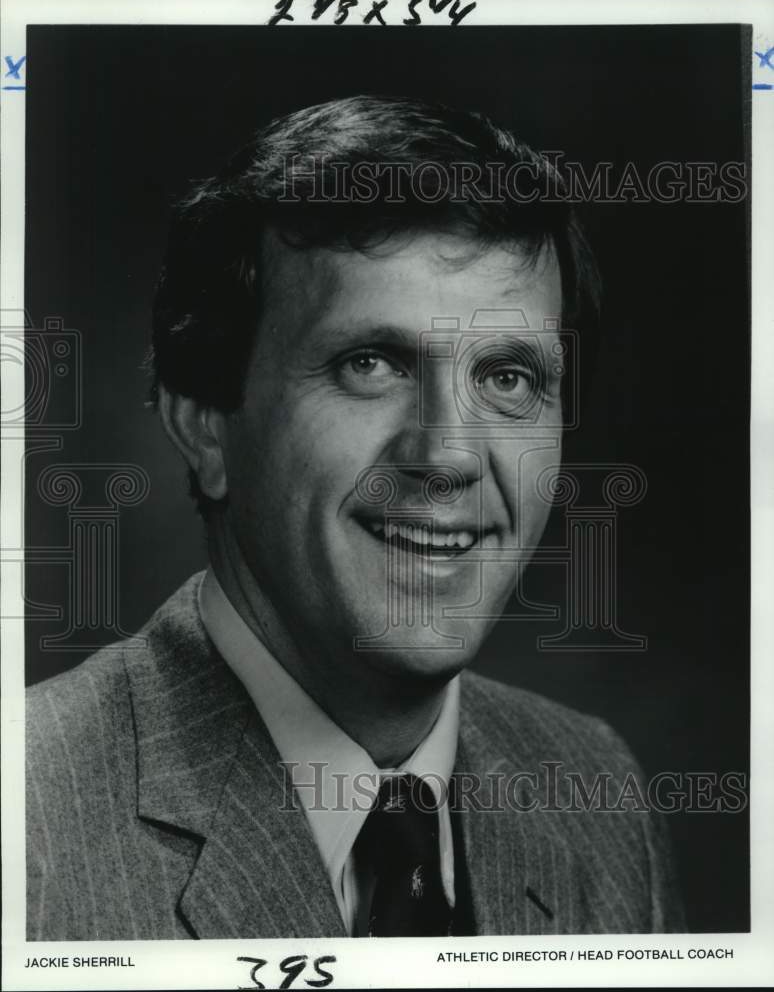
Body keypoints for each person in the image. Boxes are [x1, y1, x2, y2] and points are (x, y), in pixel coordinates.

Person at [26, 95, 685, 940]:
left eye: (509, 378)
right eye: (369, 364)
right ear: (203, 422)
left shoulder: (600, 795)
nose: (448, 455)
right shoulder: (33, 816)